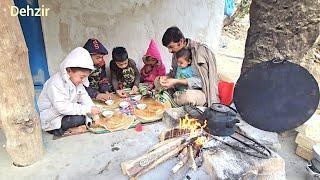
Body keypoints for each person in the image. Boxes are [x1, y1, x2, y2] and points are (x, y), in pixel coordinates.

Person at [37, 47, 101, 136]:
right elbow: (62, 107)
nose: (82, 80)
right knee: (79, 118)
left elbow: (85, 98)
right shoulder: (55, 83)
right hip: (53, 117)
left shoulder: (77, 83)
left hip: (66, 113)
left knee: (85, 115)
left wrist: (95, 115)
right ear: (69, 70)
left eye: (85, 77)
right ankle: (62, 130)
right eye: (81, 77)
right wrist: (88, 109)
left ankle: (78, 127)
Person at [159, 26, 220, 106]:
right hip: (180, 89)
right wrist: (166, 77)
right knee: (158, 80)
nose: (170, 51)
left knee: (188, 97)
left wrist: (177, 81)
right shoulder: (176, 52)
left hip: (199, 92)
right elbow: (174, 73)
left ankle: (171, 100)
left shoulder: (200, 51)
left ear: (181, 41)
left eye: (171, 47)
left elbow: (203, 82)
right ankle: (173, 99)